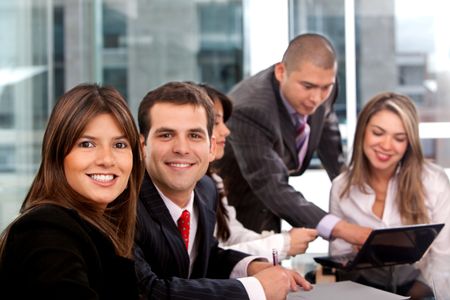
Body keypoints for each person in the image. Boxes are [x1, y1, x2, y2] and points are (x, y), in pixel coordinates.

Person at [134, 81, 312, 300]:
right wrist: (255, 290)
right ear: (142, 146)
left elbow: (207, 256)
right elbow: (146, 291)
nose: (181, 148)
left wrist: (251, 267)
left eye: (194, 136)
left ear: (211, 147)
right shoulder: (123, 205)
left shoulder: (206, 189)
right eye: (166, 135)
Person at [215, 33, 371, 245]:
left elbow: (333, 152)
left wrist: (360, 202)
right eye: (307, 87)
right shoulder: (250, 109)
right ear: (281, 72)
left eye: (325, 87)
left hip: (272, 203)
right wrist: (343, 229)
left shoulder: (323, 87)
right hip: (239, 206)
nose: (316, 98)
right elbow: (272, 187)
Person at [0, 83, 144, 299]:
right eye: (87, 144)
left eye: (120, 145)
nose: (106, 159)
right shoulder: (46, 230)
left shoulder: (101, 229)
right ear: (58, 155)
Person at [329, 92, 450, 298]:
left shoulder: (434, 182)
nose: (386, 145)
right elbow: (339, 259)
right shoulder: (341, 187)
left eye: (399, 138)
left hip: (420, 290)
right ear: (363, 132)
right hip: (362, 292)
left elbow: (444, 260)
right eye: (378, 133)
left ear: (409, 143)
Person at [199, 83, 318, 261]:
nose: (226, 130)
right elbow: (212, 256)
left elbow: (229, 234)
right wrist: (281, 244)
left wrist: (276, 241)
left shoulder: (212, 181)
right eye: (216, 122)